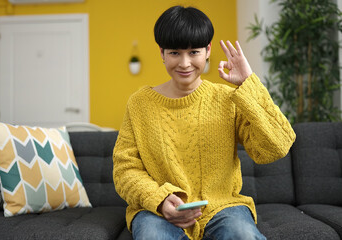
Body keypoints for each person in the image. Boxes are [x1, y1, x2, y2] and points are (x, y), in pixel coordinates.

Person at [113, 5, 296, 240]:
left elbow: (277, 146)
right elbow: (125, 169)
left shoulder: (227, 99)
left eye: (194, 52)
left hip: (223, 207)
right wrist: (158, 200)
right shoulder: (139, 104)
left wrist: (249, 84)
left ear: (208, 50)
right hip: (157, 211)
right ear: (162, 53)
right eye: (174, 53)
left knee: (243, 236)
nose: (185, 63)